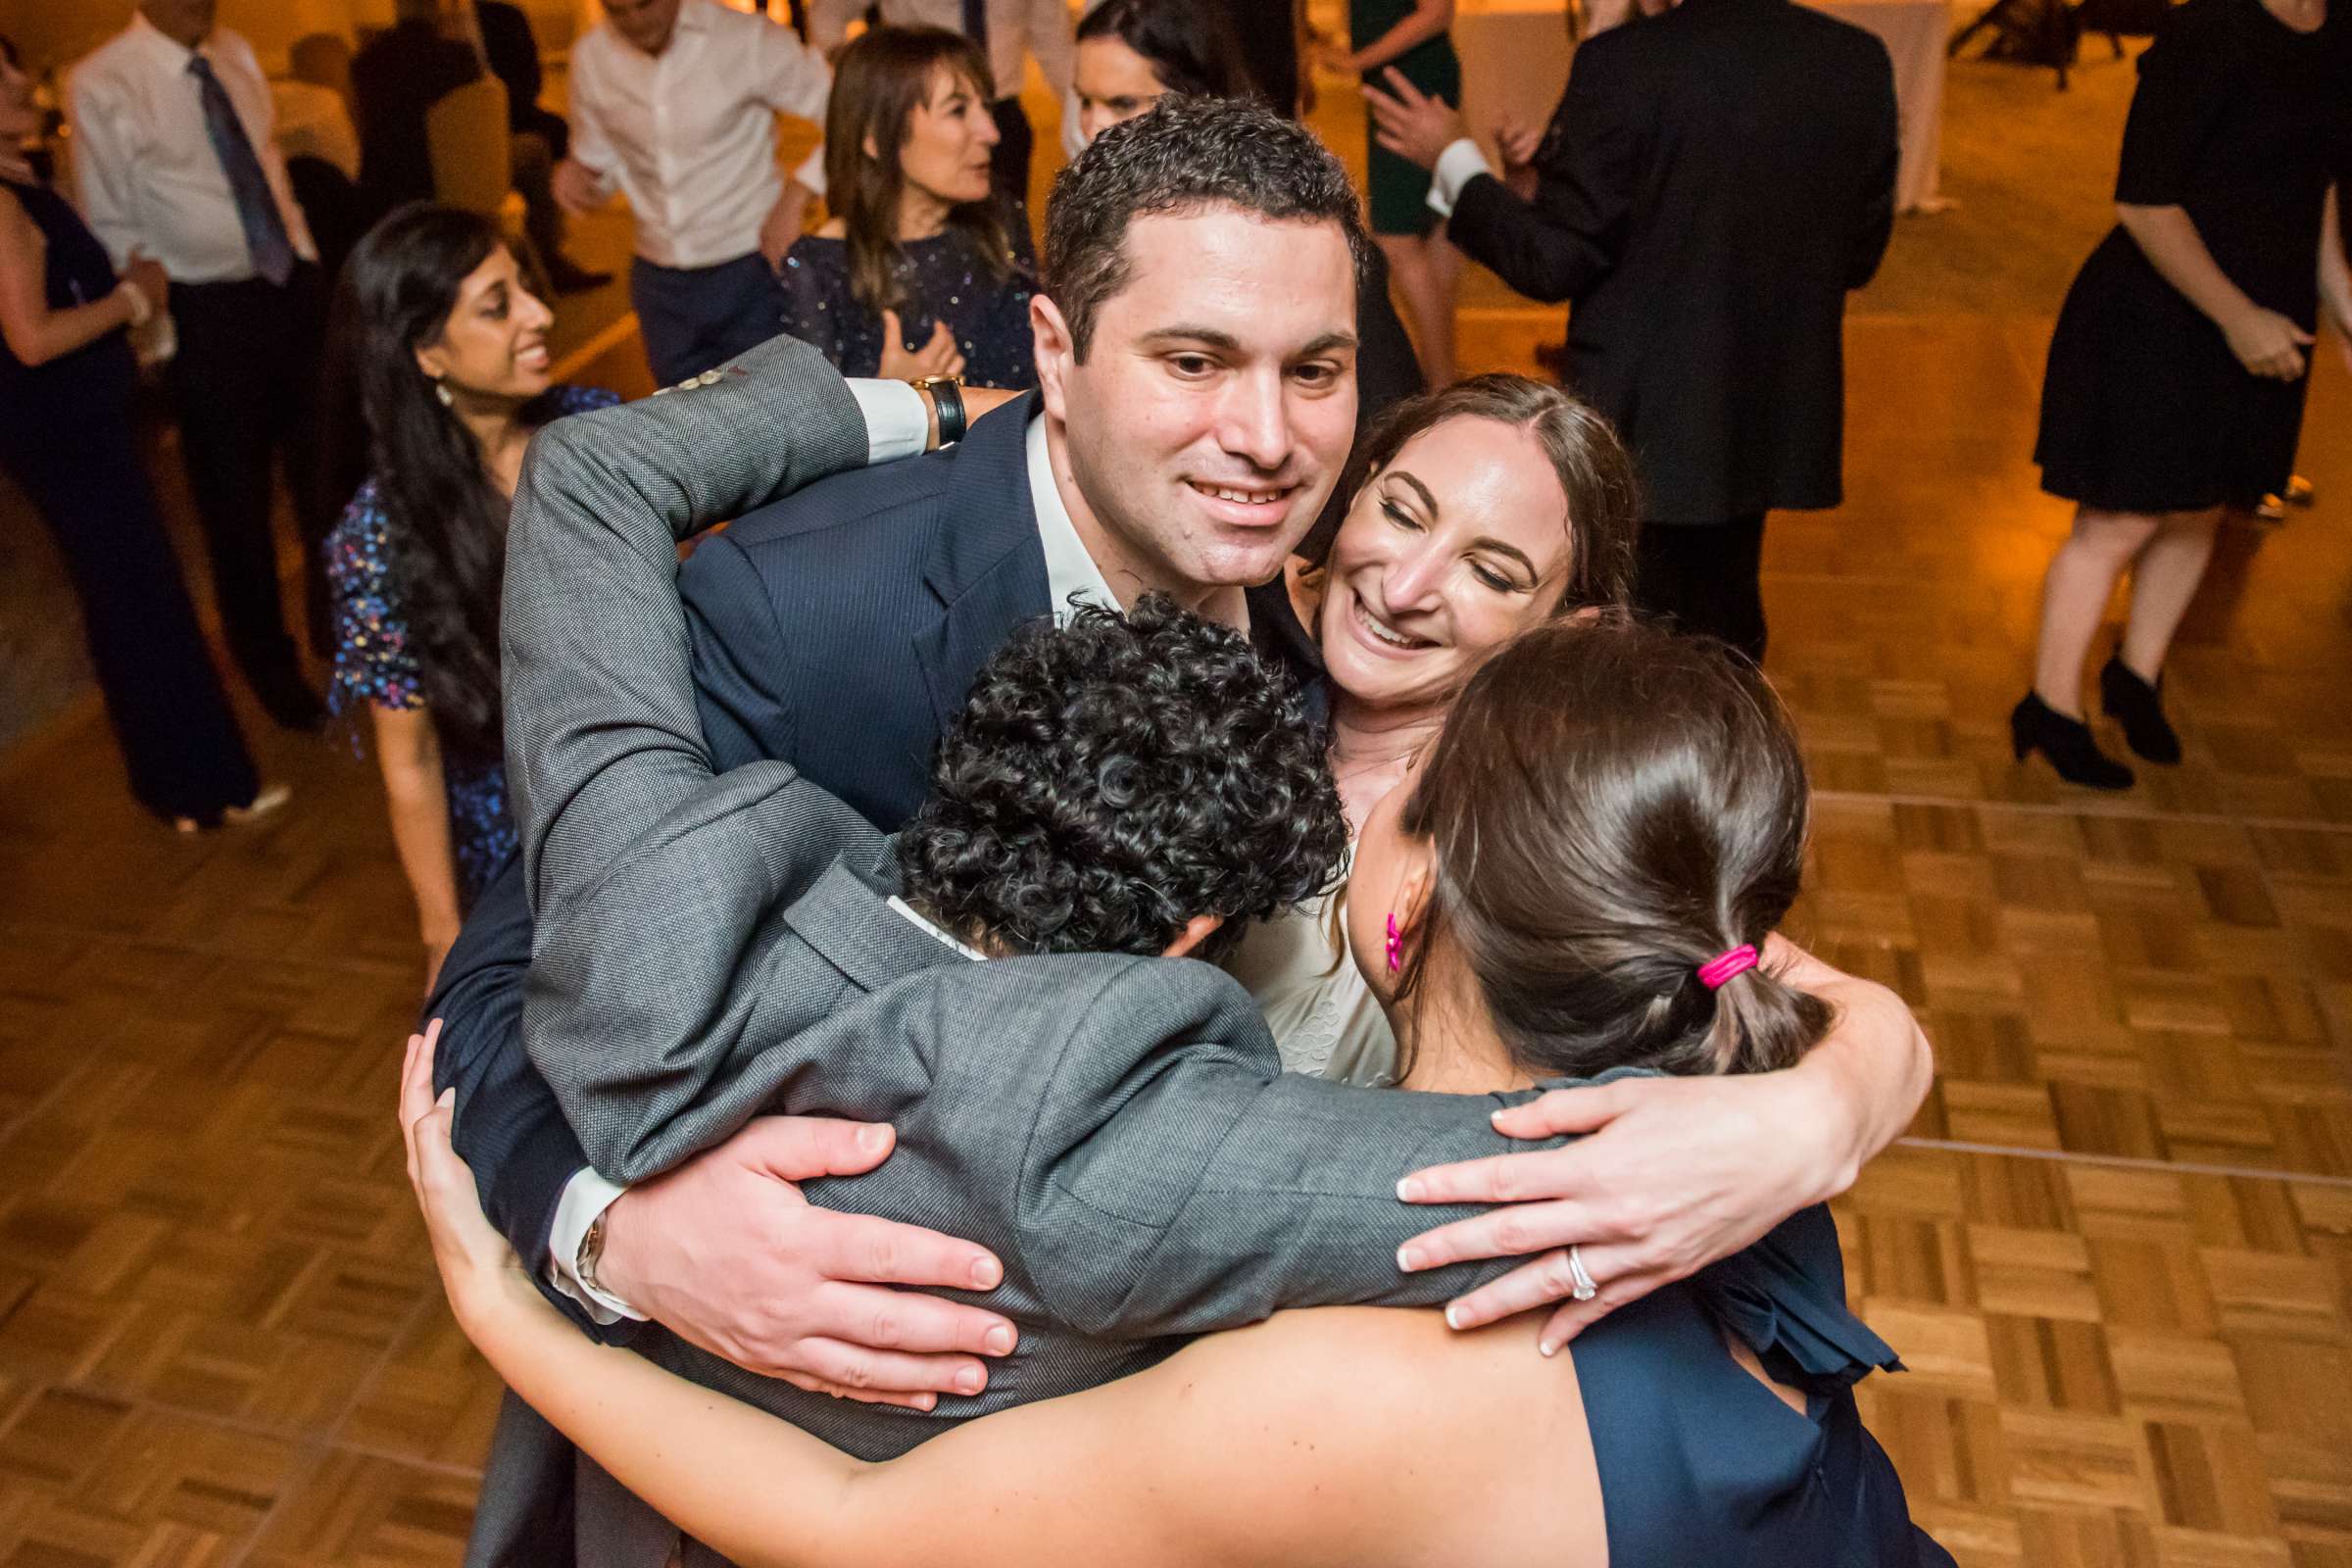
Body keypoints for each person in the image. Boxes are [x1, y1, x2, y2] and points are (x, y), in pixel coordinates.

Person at [429, 100, 1932, 1548]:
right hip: (782, 1445)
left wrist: (1827, 1103)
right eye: (1195, 360)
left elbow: (1719, 976)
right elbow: (512, 970)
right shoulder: (806, 605)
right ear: (1059, 354)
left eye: (1319, 372)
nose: (1268, 439)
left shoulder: (1342, 652)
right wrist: (612, 1233)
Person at [405, 613, 1955, 1567]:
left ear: (1414, 900)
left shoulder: (1367, 1390)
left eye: (1413, 774)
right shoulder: (1722, 1094)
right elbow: (1818, 996)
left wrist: (506, 1308)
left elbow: (849, 1529)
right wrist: (1836, 1107)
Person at [1366, 0, 1898, 663]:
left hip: (1648, 417)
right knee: (1725, 613)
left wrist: (1453, 158)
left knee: (1625, 642)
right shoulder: (1855, 60)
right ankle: (1728, 750)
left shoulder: (1625, 63)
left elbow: (1552, 259)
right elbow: (1858, 255)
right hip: (1766, 407)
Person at [1229, 375, 1642, 1083]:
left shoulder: (1532, 835)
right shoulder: (1224, 639)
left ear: (1567, 627)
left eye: (1489, 573)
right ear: (1358, 489)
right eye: (1402, 513)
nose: (1403, 588)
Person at [2011, 0, 2352, 789]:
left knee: (2204, 507)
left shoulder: (2339, 30)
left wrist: (2340, 300)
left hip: (2268, 316)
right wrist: (2239, 319)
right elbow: (2144, 201)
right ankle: (2050, 707)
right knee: (2119, 522)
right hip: (2160, 314)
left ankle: (2136, 676)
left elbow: (2319, 183)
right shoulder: (2211, 29)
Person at [321, 205, 619, 989]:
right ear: (427, 353)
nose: (542, 314)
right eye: (498, 306)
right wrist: (442, 942)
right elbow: (411, 758)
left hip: (654, 783)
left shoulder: (594, 431)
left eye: (527, 287)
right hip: (523, 848)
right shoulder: (379, 537)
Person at [0, 34, 287, 833]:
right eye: (3, 77)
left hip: (77, 423)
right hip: (66, 431)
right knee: (142, 599)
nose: (23, 86)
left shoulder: (23, 181)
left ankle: (180, 788)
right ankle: (208, 785)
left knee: (129, 599)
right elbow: (29, 339)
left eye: (19, 67)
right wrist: (134, 300)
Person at [67, 0, 334, 731]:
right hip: (205, 319)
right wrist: (161, 353)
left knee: (326, 480)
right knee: (237, 512)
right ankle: (268, 666)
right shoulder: (102, 82)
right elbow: (114, 224)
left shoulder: (236, 53)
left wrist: (306, 265)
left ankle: (340, 630)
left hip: (290, 291)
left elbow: (269, 172)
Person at [1069, 0, 1425, 548]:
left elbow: (1392, 427)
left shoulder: (1303, 247)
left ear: (1194, 103)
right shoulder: (1091, 230)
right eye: (1084, 100)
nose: (1093, 124)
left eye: (1121, 102)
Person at [554, 0, 831, 387]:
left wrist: (797, 195)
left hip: (751, 269)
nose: (635, 21)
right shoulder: (591, 57)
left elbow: (845, 116)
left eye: (645, 5)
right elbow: (600, 159)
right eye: (618, 11)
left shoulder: (747, 39)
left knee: (772, 415)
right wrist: (582, 180)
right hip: (658, 282)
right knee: (684, 429)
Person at [779, 26, 1036, 388]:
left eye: (986, 107)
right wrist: (890, 399)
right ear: (877, 139)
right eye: (958, 110)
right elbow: (810, 437)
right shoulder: (822, 269)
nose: (991, 132)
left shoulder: (1000, 223)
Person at [349, 0, 607, 296]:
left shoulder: (366, 63)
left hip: (391, 181)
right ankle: (548, 256)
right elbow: (478, 117)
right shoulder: (455, 57)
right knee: (534, 150)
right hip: (456, 176)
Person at [808, 0, 1076, 204]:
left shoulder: (992, 131)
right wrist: (860, 76)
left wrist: (1085, 122)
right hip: (923, 118)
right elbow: (828, 14)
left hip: (1002, 114)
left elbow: (1055, 45)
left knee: (1005, 233)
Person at [1327, 0, 1465, 386]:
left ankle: (1441, 384)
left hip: (1410, 84)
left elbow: (1436, 13)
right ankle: (1443, 378)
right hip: (1405, 78)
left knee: (1397, 237)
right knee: (1434, 230)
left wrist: (1358, 60)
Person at [475, 0, 612, 293]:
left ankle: (544, 250)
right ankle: (549, 257)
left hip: (414, 169)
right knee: (540, 146)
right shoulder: (500, 19)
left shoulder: (381, 55)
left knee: (549, 134)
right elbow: (527, 85)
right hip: (476, 150)